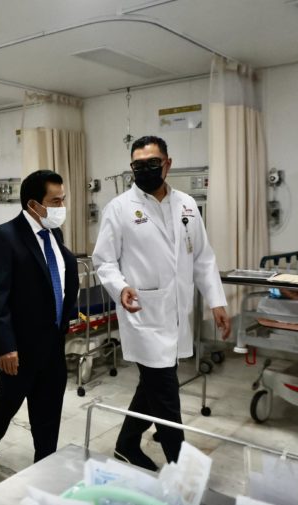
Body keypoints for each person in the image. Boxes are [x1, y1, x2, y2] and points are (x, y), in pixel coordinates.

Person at [92, 135, 231, 471]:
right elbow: (104, 261)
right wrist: (120, 287)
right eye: (138, 165)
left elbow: (202, 257)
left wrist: (216, 301)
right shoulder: (119, 208)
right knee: (166, 394)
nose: (145, 170)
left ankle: (126, 444)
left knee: (153, 385)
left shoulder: (187, 205)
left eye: (152, 163)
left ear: (167, 164)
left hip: (177, 313)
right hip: (143, 313)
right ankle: (179, 469)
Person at [0, 170, 79, 486]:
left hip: (52, 341)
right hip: (18, 346)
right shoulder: (4, 237)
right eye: (55, 201)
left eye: (63, 199)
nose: (61, 207)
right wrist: (6, 346)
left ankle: (45, 465)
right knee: (8, 402)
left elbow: (57, 279)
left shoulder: (54, 234)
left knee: (49, 409)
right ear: (33, 204)